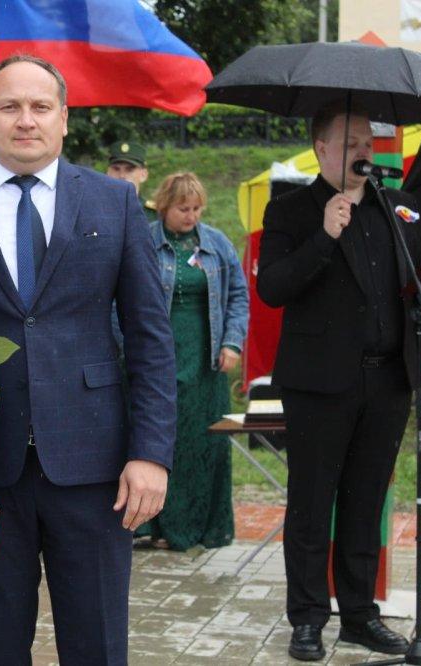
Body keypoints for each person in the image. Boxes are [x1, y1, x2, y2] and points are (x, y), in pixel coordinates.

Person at [0, 54, 177, 665]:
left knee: (97, 644)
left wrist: (151, 454)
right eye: (9, 107)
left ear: (64, 118)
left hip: (95, 467)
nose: (25, 120)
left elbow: (150, 339)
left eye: (40, 107)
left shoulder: (114, 203)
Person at [257, 102, 421, 662]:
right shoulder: (291, 210)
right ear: (321, 149)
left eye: (367, 144)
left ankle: (359, 616)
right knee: (311, 504)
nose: (362, 153)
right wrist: (324, 236)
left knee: (365, 500)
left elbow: (418, 286)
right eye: (349, 143)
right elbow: (273, 288)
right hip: (318, 384)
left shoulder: (398, 209)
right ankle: (307, 619)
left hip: (389, 379)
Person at [133, 173, 248, 552]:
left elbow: (238, 295)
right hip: (157, 356)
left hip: (205, 360)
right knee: (158, 438)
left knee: (202, 443)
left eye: (197, 208)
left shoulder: (217, 243)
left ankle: (197, 526)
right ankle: (151, 525)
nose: (191, 216)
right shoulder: (143, 240)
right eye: (184, 208)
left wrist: (232, 342)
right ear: (165, 206)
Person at [106, 139, 155, 217]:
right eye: (116, 169)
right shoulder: (95, 211)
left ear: (143, 175)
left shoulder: (154, 215)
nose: (122, 176)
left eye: (129, 170)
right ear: (108, 173)